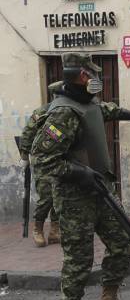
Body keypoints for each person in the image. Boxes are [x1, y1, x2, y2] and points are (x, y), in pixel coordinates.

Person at [31, 52, 130, 300]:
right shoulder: (63, 112)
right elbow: (41, 158)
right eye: (92, 74)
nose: (96, 79)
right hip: (75, 197)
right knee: (79, 255)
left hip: (100, 190)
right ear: (83, 76)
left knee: (122, 243)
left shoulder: (87, 103)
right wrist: (79, 172)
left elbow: (106, 110)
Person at [18, 82, 63, 247]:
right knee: (46, 197)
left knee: (59, 196)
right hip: (43, 161)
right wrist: (24, 156)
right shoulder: (42, 112)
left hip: (60, 160)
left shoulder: (65, 111)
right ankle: (38, 229)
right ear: (56, 95)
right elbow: (28, 133)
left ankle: (54, 231)